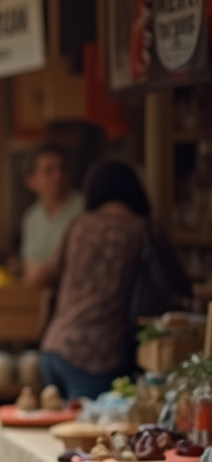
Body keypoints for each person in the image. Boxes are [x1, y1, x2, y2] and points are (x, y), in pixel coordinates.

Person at [38, 160, 190, 399]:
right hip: (98, 355)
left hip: (54, 347)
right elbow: (180, 283)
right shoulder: (144, 229)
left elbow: (46, 276)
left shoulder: (79, 224)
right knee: (95, 433)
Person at [21, 144, 84, 287]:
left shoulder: (84, 209)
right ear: (31, 181)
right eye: (48, 171)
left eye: (62, 169)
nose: (58, 176)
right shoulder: (32, 218)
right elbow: (30, 273)